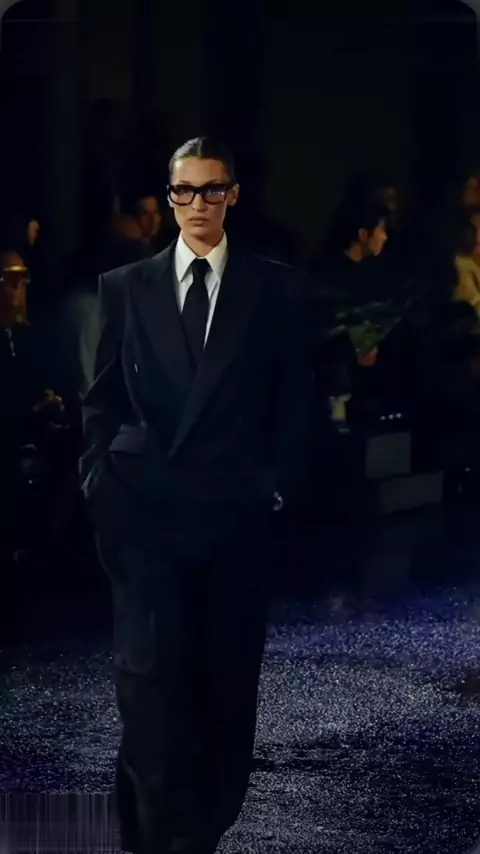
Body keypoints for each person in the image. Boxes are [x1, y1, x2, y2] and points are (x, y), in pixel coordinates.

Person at [80, 136, 313, 854]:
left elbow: (295, 405)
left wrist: (275, 491)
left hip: (234, 523)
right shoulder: (126, 287)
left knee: (223, 696)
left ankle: (197, 832)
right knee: (149, 695)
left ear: (232, 195)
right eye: (185, 190)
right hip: (145, 519)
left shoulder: (275, 291)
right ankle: (159, 839)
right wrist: (102, 489)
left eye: (213, 189)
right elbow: (101, 401)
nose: (198, 204)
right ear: (170, 197)